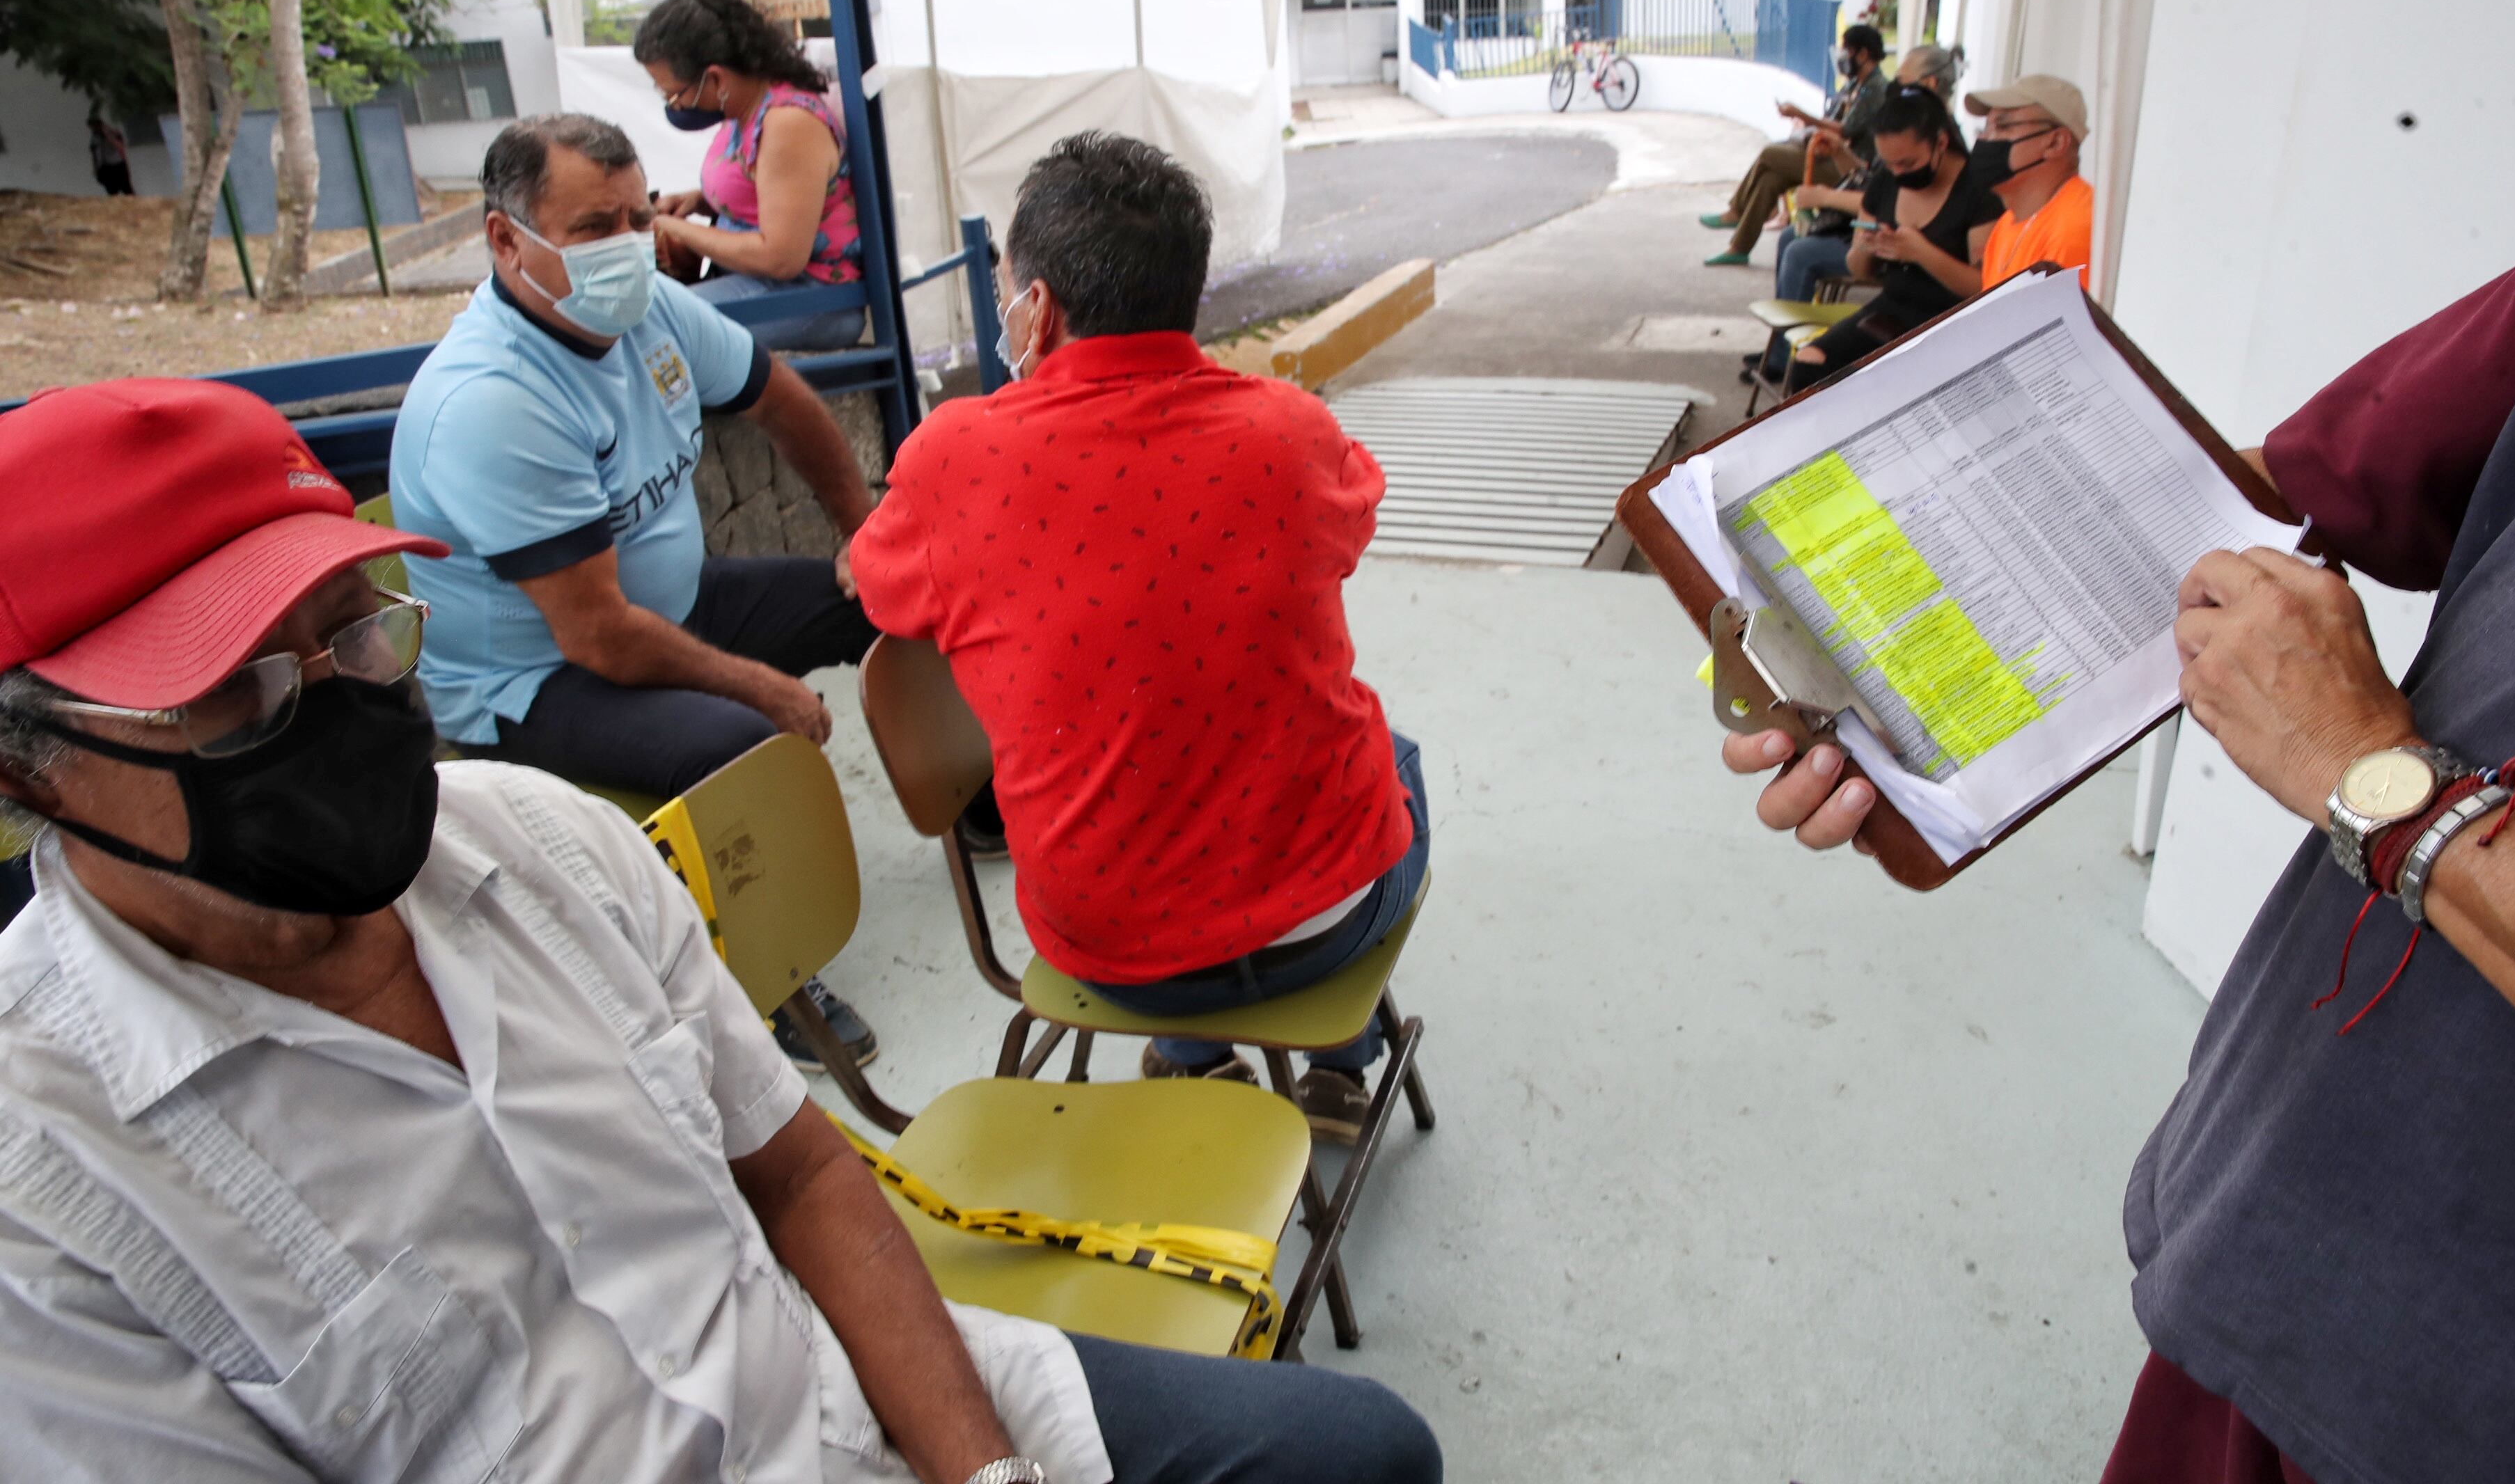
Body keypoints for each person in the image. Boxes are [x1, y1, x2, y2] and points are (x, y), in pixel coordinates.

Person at [0, 377, 1443, 1484]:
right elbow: (602, 632)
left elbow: (801, 1173)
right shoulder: (42, 1190)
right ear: (28, 770)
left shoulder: (543, 842)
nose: (341, 699)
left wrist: (986, 1471)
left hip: (836, 1379)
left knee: (1368, 1452)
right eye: (235, 690)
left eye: (354, 627)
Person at [1721, 251, 2515, 1483]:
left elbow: (2344, 730)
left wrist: (2370, 773)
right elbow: (2261, 504)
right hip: (2277, 1211)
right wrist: (1896, 655)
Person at [849, 132, 1427, 1146]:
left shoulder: (952, 459)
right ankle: (1341, 1068)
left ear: (1038, 307)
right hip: (1324, 931)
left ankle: (1197, 1061)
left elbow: (878, 588)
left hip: (1110, 952)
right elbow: (1356, 510)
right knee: (1396, 755)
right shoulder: (1291, 431)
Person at [389, 113, 884, 1070]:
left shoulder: (647, 310)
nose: (627, 246)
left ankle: (974, 810)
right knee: (743, 744)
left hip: (670, 607)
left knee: (890, 596)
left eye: (636, 218)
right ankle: (776, 981)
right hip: (535, 682)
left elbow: (777, 396)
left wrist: (864, 532)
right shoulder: (494, 400)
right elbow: (600, 638)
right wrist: (762, 687)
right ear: (505, 240)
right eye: (592, 227)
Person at [635, 0, 867, 352]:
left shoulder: (788, 124)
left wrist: (674, 228)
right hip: (757, 283)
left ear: (715, 78)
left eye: (674, 94)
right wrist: (697, 201)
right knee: (639, 318)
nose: (674, 106)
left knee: (652, 330)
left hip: (811, 296)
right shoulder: (742, 111)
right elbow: (765, 189)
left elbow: (781, 258)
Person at [1752, 45, 1961, 384]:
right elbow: (1874, 185)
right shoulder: (1901, 129)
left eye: (1903, 81)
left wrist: (1828, 198)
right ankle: (1781, 351)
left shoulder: (1940, 147)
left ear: (1930, 84)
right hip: (1890, 273)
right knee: (1791, 235)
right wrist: (1841, 156)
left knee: (1800, 252)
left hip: (1918, 293)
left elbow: (1884, 196)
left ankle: (1779, 358)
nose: (1895, 87)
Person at [1779, 84, 2003, 384]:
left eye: (1908, 163)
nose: (1898, 173)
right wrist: (1867, 247)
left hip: (1952, 318)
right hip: (1893, 309)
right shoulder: (1887, 182)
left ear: (1940, 143)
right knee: (1810, 363)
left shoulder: (1978, 190)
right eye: (1889, 164)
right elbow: (1859, 269)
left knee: (1883, 383)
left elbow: (1983, 285)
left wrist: (1920, 252)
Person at [1702, 22, 1888, 267]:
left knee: (1771, 154)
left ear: (1863, 54)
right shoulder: (1855, 84)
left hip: (1851, 170)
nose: (1843, 58)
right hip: (1830, 156)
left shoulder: (1876, 89)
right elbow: (1833, 118)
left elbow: (1846, 129)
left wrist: (1801, 114)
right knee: (1771, 179)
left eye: (1848, 52)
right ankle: (1739, 248)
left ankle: (1737, 210)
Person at [1963, 73, 2094, 292]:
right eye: (1986, 128)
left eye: (2003, 126)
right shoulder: (2006, 224)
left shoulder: (2073, 228)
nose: (1985, 139)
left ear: (2055, 143)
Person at [86, 115, 133, 197]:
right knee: (112, 191)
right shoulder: (95, 137)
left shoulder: (113, 133)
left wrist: (107, 133)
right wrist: (96, 169)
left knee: (127, 189)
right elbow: (95, 154)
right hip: (105, 167)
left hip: (117, 165)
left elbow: (120, 147)